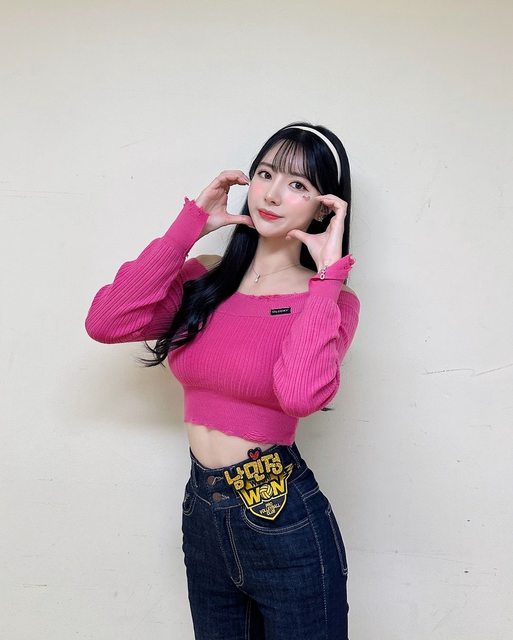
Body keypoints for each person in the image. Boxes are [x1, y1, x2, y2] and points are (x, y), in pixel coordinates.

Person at [85, 121, 361, 640]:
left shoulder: (330, 300)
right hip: (202, 513)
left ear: (324, 208)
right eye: (266, 174)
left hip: (282, 515)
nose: (273, 194)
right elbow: (106, 321)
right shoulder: (204, 278)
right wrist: (187, 228)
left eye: (298, 185)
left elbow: (299, 395)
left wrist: (328, 277)